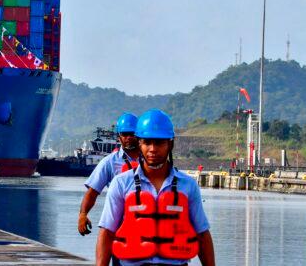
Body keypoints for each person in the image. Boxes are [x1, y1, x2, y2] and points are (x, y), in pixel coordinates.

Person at [96, 109, 215, 266]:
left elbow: (202, 234)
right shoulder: (121, 183)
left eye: (159, 142)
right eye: (147, 142)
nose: (152, 149)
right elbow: (107, 232)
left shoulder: (188, 186)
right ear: (139, 144)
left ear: (170, 144)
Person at [78, 113, 141, 236]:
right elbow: (92, 192)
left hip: (147, 223)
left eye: (132, 134)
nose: (128, 137)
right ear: (119, 137)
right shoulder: (109, 162)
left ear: (139, 135)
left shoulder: (149, 159)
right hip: (119, 227)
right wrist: (83, 214)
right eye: (124, 134)